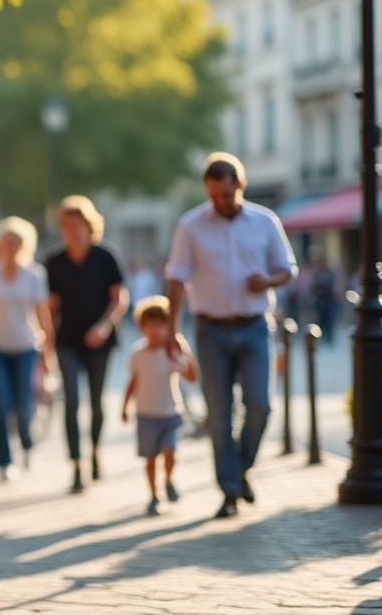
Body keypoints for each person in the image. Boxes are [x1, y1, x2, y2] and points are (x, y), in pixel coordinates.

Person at [165, 152, 296, 519]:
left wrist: (266, 281)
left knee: (260, 405)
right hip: (210, 331)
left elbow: (287, 269)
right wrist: (173, 330)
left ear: (240, 185)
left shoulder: (265, 221)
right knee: (219, 417)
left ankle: (241, 469)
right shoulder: (191, 226)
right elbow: (176, 278)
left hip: (255, 326)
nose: (220, 202)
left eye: (226, 194)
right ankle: (229, 490)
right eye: (213, 196)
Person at [45, 195, 128, 494]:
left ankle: (95, 451)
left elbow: (119, 298)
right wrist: (47, 343)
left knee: (96, 401)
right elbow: (51, 306)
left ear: (89, 226)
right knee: (71, 401)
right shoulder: (54, 261)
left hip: (100, 340)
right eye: (67, 225)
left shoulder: (106, 256)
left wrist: (104, 326)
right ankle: (77, 464)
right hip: (67, 340)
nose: (72, 230)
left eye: (78, 225)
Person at [0, 216, 54, 480]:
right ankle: (4, 460)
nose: (11, 246)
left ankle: (27, 445)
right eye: (7, 241)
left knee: (24, 404)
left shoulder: (35, 273)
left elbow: (43, 314)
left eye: (16, 241)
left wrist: (48, 352)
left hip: (26, 346)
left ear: (25, 244)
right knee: (1, 404)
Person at [120, 296, 198, 516]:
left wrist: (184, 352)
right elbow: (132, 382)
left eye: (160, 325)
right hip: (145, 414)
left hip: (170, 412)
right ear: (142, 327)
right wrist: (125, 407)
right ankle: (154, 495)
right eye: (150, 325)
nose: (155, 330)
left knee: (170, 450)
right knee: (150, 458)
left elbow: (192, 377)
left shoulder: (172, 351)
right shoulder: (137, 353)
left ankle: (169, 480)